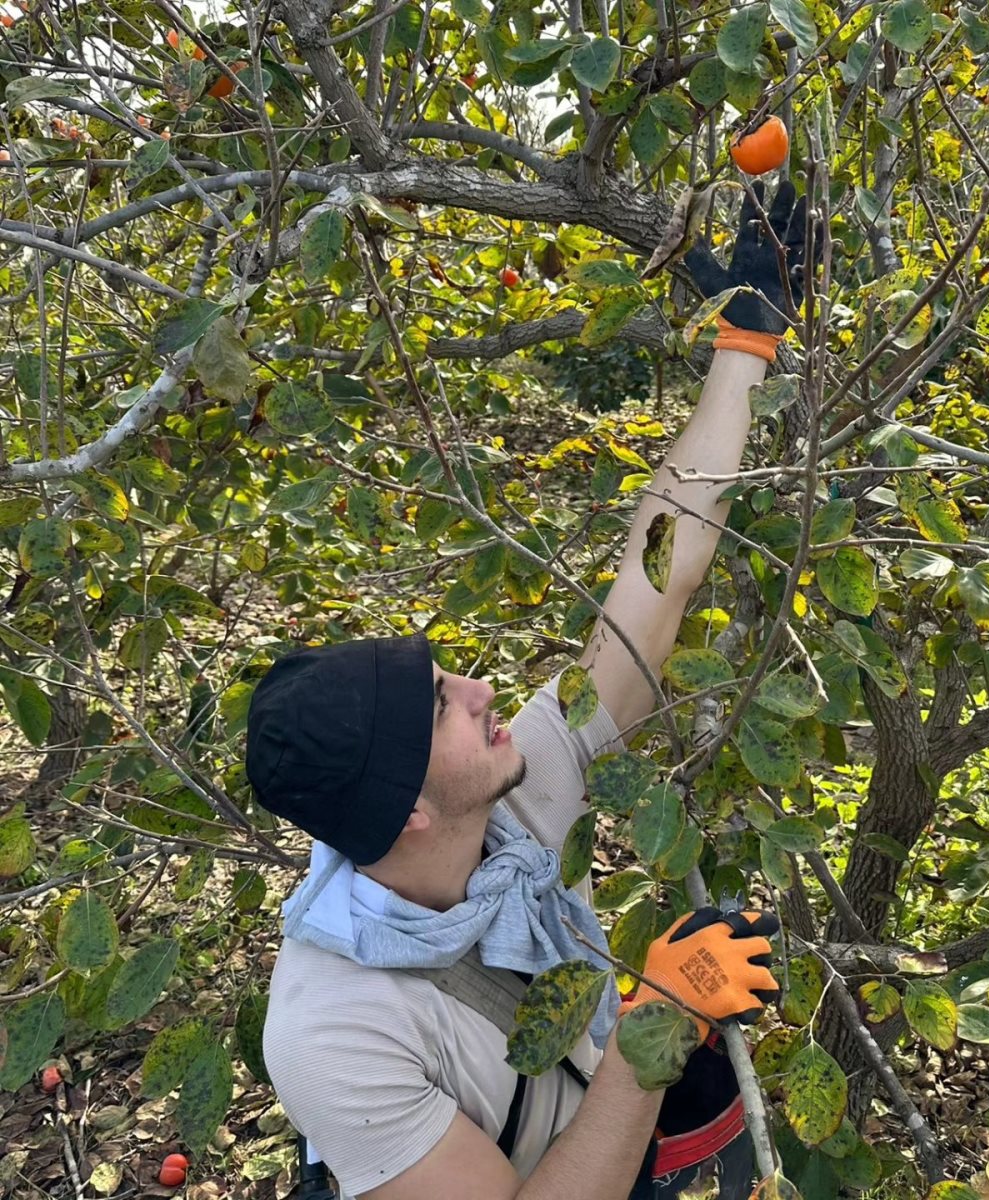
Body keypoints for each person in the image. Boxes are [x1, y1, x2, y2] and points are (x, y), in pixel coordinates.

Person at [248, 182, 816, 1200]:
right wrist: (658, 1024)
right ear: (412, 809)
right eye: (437, 708)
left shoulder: (505, 798)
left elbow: (656, 584)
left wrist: (745, 347)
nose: (475, 688)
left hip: (596, 1094)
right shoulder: (332, 1026)